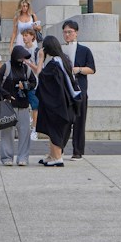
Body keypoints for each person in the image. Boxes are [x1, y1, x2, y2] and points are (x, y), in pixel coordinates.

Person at [34, 34, 81, 168]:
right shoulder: (64, 60)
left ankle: (57, 157)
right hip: (67, 102)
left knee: (55, 129)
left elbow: (41, 77)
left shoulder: (54, 64)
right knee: (55, 129)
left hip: (58, 104)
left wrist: (41, 59)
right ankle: (52, 155)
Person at [0, 41, 36, 166]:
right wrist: (5, 94)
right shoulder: (5, 67)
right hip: (8, 105)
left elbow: (34, 83)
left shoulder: (26, 69)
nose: (22, 60)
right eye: (21, 57)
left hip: (23, 105)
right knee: (7, 133)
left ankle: (23, 158)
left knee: (25, 132)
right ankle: (7, 158)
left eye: (24, 58)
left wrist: (26, 85)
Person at [59, 17, 96, 159]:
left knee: (80, 121)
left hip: (80, 90)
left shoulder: (84, 50)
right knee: (64, 121)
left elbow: (92, 69)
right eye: (64, 32)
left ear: (76, 33)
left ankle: (78, 150)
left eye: (69, 32)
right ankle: (59, 149)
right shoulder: (61, 50)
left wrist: (79, 69)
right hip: (64, 90)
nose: (67, 34)